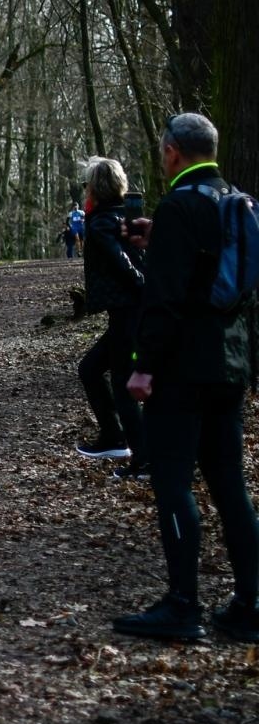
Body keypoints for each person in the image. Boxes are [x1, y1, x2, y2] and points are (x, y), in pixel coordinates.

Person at [115, 112, 259, 642]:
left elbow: (166, 298)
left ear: (172, 152)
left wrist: (143, 366)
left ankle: (183, 605)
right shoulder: (234, 202)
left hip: (181, 370)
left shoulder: (177, 205)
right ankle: (250, 604)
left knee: (173, 483)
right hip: (231, 364)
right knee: (230, 486)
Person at [74, 157, 147, 477]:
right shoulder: (122, 217)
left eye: (87, 185)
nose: (85, 191)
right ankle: (113, 436)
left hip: (130, 313)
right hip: (126, 313)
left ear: (95, 188)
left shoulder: (103, 223)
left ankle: (143, 458)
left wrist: (144, 286)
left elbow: (123, 263)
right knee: (90, 369)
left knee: (122, 383)